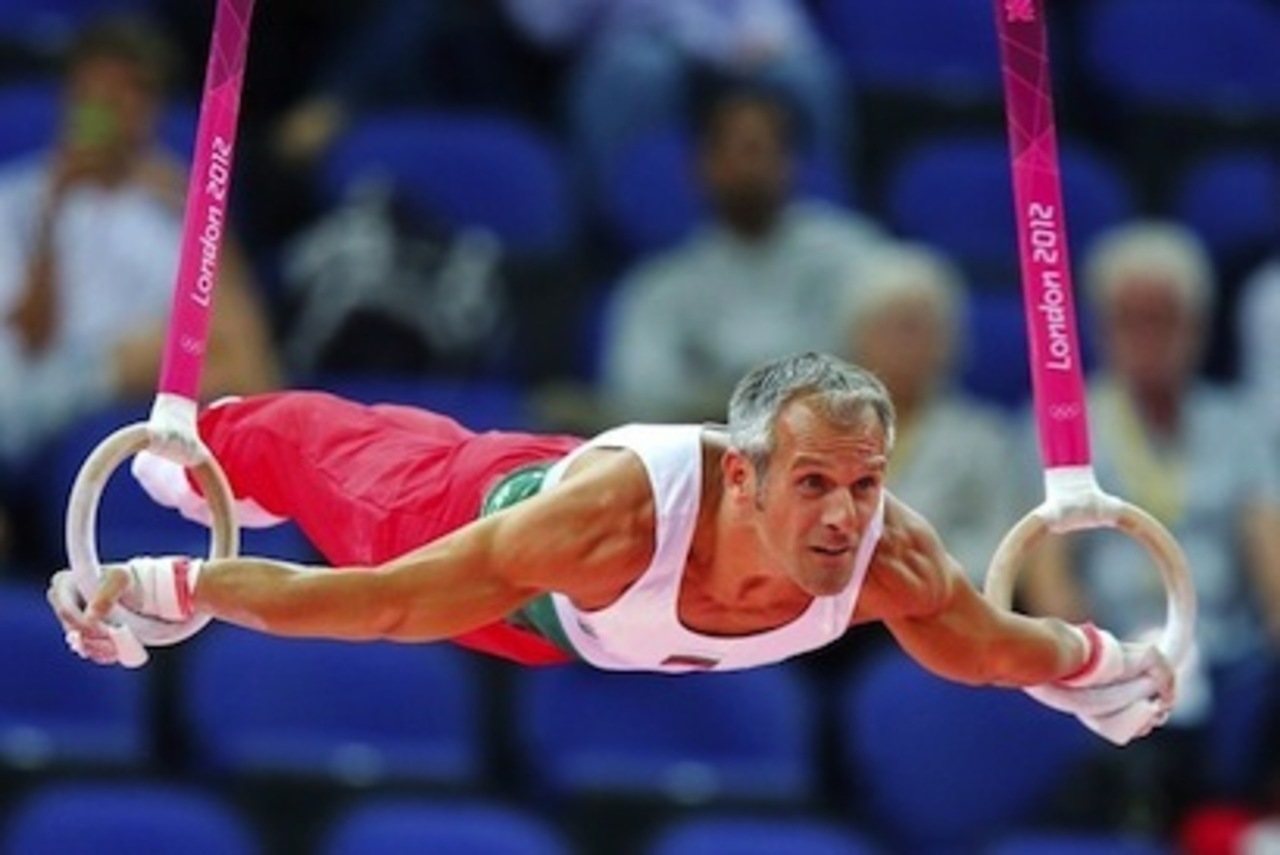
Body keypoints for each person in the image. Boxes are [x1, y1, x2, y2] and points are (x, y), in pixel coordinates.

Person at [50, 352, 1174, 745]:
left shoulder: (886, 559)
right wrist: (179, 583)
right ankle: (218, 440)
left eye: (866, 485)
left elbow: (987, 650)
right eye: (815, 484)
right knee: (322, 457)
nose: (844, 517)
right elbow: (382, 605)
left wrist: (1103, 662)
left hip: (570, 638)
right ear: (741, 476)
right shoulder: (614, 522)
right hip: (486, 519)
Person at [0, 16, 282, 474]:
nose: (115, 106)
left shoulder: (174, 203)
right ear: (73, 99)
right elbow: (31, 341)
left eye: (132, 92)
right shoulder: (17, 200)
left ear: (150, 107)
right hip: (43, 380)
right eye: (100, 92)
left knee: (240, 370)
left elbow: (242, 340)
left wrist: (195, 210)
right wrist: (53, 210)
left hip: (152, 375)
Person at [601, 87, 885, 422]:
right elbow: (638, 393)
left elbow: (896, 355)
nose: (750, 168)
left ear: (791, 163)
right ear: (703, 166)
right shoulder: (660, 287)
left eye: (760, 149)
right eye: (734, 151)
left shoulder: (853, 256)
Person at [840, 241, 1017, 585]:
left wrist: (914, 572)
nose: (903, 346)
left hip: (939, 604)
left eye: (915, 328)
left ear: (947, 340)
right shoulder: (823, 432)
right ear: (857, 338)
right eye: (888, 328)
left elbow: (1000, 547)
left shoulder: (982, 438)